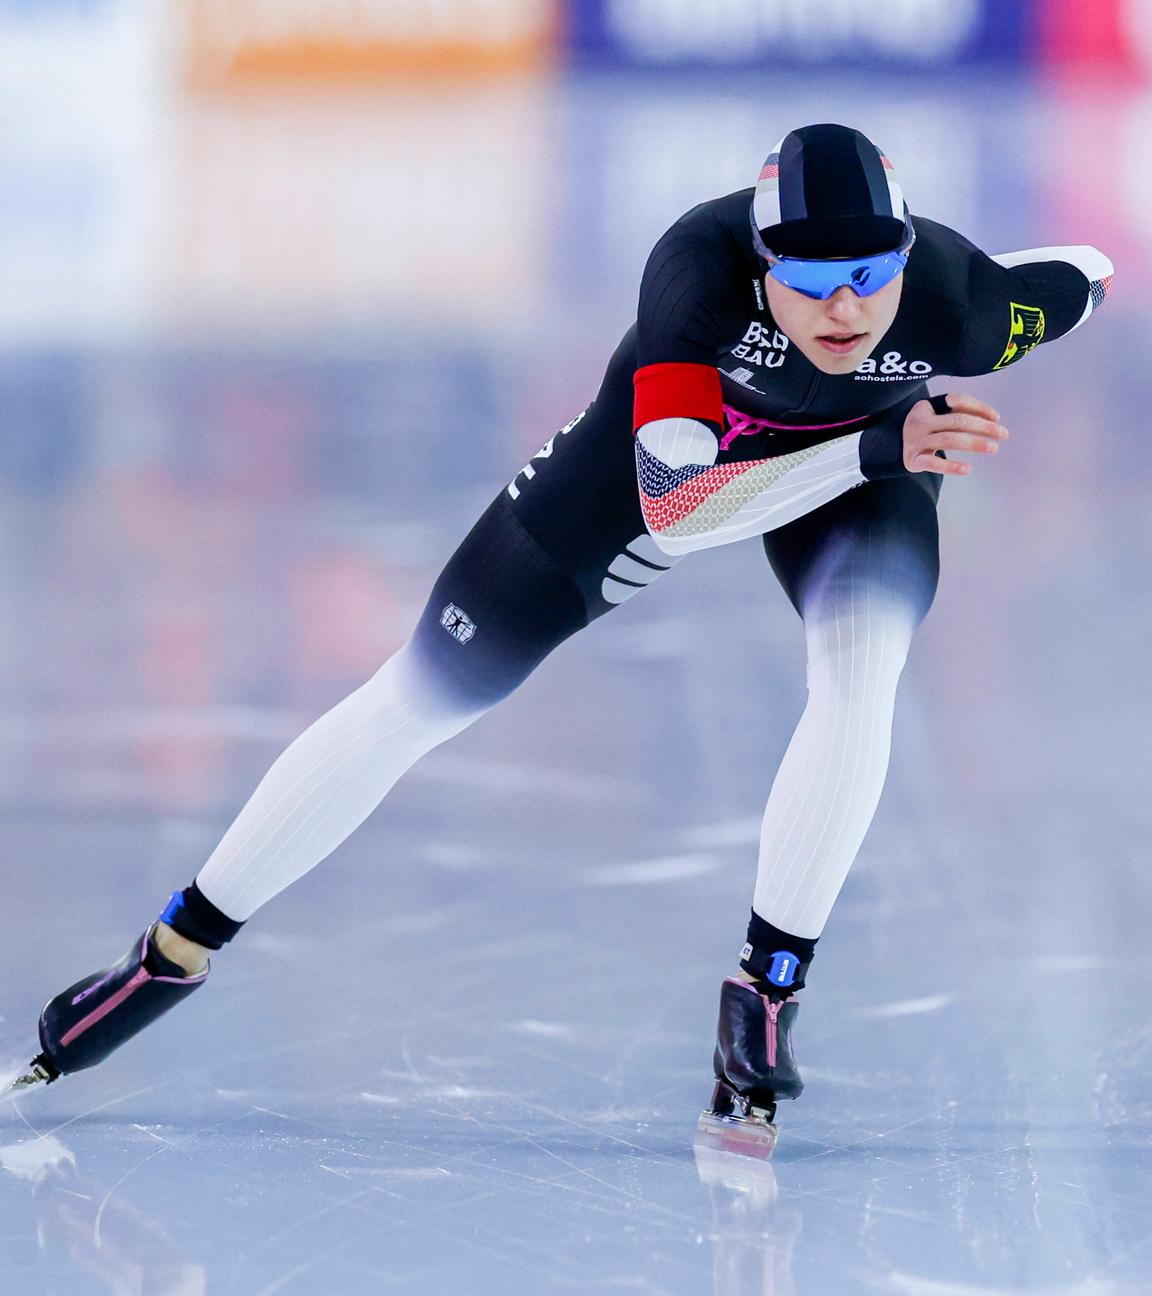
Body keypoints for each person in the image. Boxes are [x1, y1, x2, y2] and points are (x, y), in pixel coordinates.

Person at [9, 125, 1114, 1149]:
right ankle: (171, 954)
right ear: (763, 267)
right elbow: (685, 512)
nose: (844, 310)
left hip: (869, 465)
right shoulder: (696, 278)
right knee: (421, 696)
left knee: (863, 678)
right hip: (669, 475)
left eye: (870, 277)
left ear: (907, 256)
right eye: (812, 283)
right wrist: (874, 452)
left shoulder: (964, 307)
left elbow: (1086, 272)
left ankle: (765, 989)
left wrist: (886, 446)